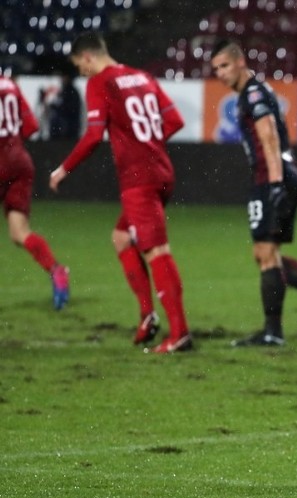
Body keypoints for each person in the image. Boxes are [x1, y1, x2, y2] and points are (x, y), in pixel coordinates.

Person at [48, 32, 192, 353]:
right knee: (122, 238)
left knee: (157, 251)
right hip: (162, 171)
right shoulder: (142, 76)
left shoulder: (100, 83)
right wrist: (149, 145)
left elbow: (93, 135)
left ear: (87, 57)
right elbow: (175, 120)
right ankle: (147, 316)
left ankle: (179, 333)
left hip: (139, 180)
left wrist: (63, 169)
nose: (81, 72)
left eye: (79, 66)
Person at [209, 39, 297, 346]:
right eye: (216, 68)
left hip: (272, 177)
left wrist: (274, 183)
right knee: (267, 254)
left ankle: (273, 332)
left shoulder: (253, 94)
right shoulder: (254, 92)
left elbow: (268, 135)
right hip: (278, 175)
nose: (220, 73)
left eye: (225, 65)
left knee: (266, 254)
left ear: (240, 62)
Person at [1, 75, 71, 310]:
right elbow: (31, 126)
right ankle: (56, 270)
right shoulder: (9, 84)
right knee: (19, 233)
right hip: (19, 159)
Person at [47, 72, 82, 140]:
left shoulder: (71, 92)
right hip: (68, 124)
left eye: (64, 78)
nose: (62, 79)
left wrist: (56, 107)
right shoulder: (65, 90)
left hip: (69, 125)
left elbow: (70, 108)